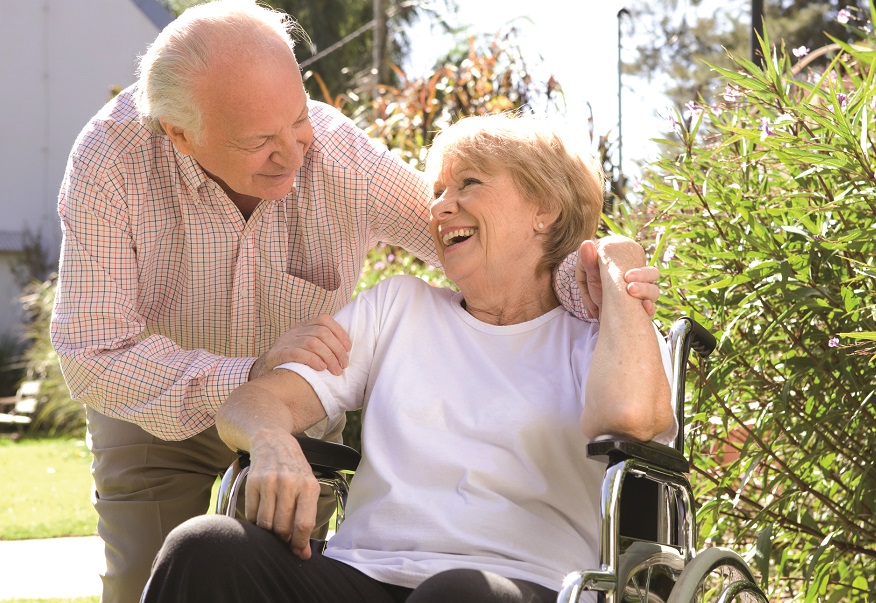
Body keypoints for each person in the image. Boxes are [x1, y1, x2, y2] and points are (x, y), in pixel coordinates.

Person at [49, 2, 658, 601]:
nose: (294, 152)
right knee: (175, 561)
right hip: (153, 398)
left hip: (341, 452)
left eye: (298, 119)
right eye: (262, 139)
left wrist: (603, 275)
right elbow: (92, 352)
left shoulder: (337, 155)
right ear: (182, 134)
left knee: (456, 594)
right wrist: (262, 418)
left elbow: (470, 240)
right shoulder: (113, 160)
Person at [141, 113, 674, 603]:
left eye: (469, 184)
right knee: (204, 546)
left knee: (458, 595)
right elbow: (252, 402)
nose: (440, 206)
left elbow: (626, 417)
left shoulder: (598, 338)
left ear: (545, 209)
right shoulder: (398, 307)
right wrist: (272, 439)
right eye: (438, 191)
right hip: (363, 574)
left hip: (515, 581)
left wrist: (617, 266)